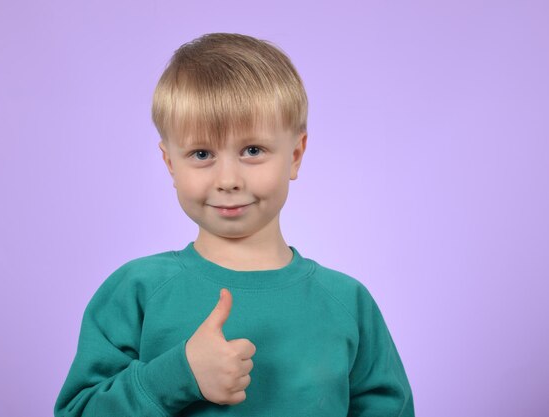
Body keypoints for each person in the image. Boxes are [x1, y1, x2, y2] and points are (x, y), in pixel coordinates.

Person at [54, 32, 415, 417]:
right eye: (202, 153)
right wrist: (178, 375)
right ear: (170, 164)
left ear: (295, 155)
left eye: (253, 150)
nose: (228, 179)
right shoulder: (136, 292)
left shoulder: (347, 303)